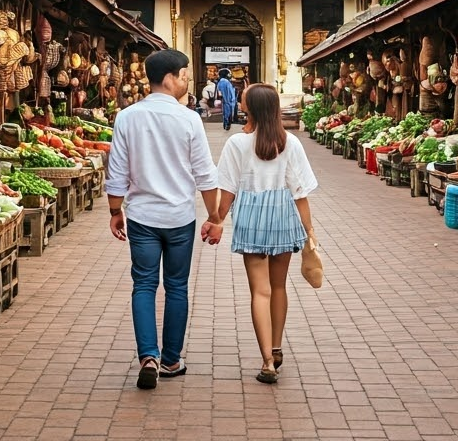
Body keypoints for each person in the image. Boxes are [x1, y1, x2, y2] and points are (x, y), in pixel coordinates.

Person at [104, 48, 220, 391]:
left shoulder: (127, 117)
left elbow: (116, 173)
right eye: (184, 74)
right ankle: (171, 359)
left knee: (143, 285)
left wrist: (115, 211)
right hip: (179, 217)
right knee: (177, 287)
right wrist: (214, 216)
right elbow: (205, 176)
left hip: (141, 217)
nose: (186, 80)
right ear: (169, 78)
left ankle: (148, 357)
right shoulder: (189, 119)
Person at [202, 82, 318, 384]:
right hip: (283, 215)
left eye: (242, 99)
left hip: (251, 217)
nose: (239, 102)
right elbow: (300, 193)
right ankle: (277, 347)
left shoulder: (237, 144)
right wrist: (310, 232)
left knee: (260, 291)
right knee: (279, 287)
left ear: (249, 108)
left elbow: (227, 189)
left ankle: (267, 360)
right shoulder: (290, 142)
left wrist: (217, 219)